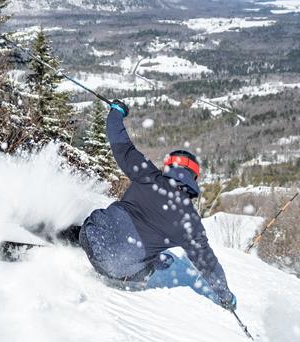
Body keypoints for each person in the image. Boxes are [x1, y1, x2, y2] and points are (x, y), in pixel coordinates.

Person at [77, 100, 237, 310]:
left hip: (92, 238)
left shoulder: (147, 175)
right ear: (193, 178)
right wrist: (225, 296)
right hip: (118, 270)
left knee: (103, 217)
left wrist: (116, 112)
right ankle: (148, 261)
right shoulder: (190, 223)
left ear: (169, 167)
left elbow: (121, 144)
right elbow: (208, 264)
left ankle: (81, 237)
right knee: (150, 260)